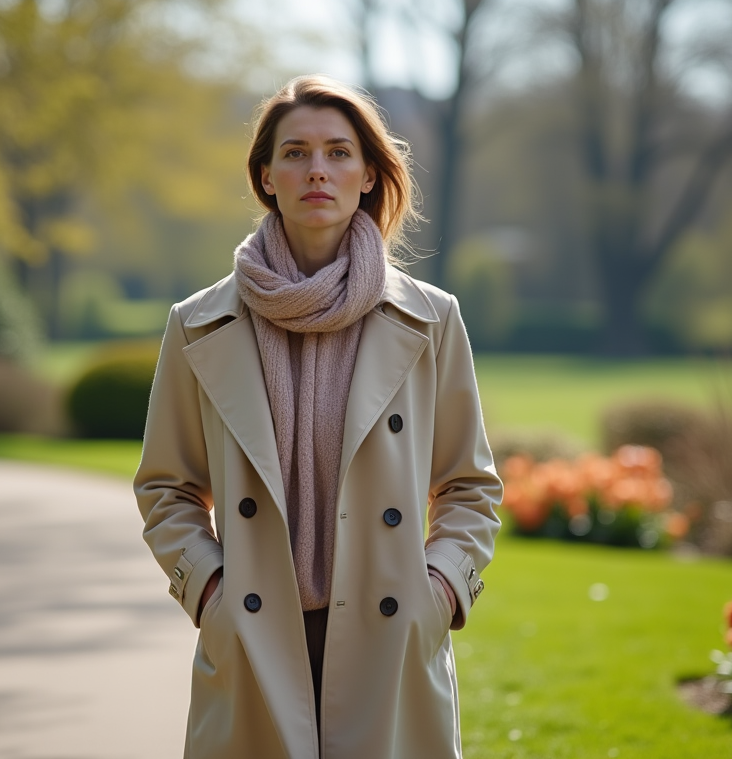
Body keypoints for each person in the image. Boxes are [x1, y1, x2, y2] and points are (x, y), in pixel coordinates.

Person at [133, 75, 503, 759]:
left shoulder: (431, 318)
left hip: (388, 633)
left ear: (368, 174)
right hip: (253, 631)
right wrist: (212, 595)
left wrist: (440, 594)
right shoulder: (198, 324)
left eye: (338, 152)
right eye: (296, 152)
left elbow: (470, 488)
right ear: (266, 176)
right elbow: (166, 487)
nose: (317, 171)